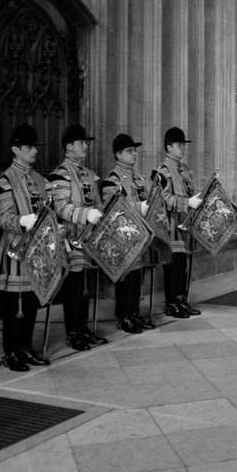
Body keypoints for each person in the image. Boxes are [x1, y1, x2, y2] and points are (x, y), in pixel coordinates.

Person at [0, 123, 51, 372]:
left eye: (34, 146)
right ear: (16, 150)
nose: (34, 151)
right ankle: (11, 351)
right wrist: (21, 221)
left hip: (39, 249)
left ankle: (26, 347)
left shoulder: (40, 180)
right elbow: (3, 218)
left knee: (33, 301)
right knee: (15, 306)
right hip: (15, 250)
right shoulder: (4, 181)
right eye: (28, 147)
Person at [47, 123, 108, 351]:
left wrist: (100, 213)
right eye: (81, 142)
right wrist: (85, 214)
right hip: (71, 239)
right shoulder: (61, 174)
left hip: (89, 238)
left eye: (86, 142)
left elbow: (97, 203)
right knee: (73, 288)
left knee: (85, 287)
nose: (86, 146)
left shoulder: (87, 174)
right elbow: (61, 208)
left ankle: (83, 328)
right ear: (69, 146)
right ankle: (73, 332)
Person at [102, 132, 155, 334]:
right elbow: (114, 208)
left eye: (135, 151)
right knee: (125, 279)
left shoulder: (138, 178)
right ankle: (123, 315)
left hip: (139, 236)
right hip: (123, 237)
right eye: (129, 151)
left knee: (137, 278)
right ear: (118, 154)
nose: (134, 154)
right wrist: (139, 206)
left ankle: (134, 313)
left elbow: (149, 198)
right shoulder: (112, 179)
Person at [153, 126, 204, 318]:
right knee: (173, 266)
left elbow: (190, 192)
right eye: (179, 145)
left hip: (185, 226)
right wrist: (186, 202)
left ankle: (182, 301)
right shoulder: (162, 171)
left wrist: (197, 199)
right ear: (169, 147)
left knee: (183, 266)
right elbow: (163, 199)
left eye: (183, 145)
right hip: (171, 226)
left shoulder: (185, 170)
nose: (182, 148)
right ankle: (172, 303)